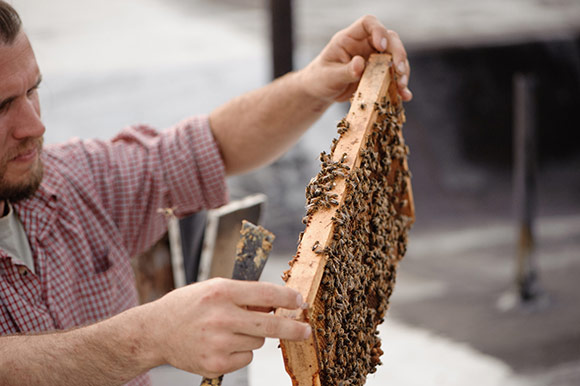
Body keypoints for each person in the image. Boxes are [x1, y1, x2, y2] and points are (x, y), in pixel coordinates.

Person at [0, 1, 412, 385]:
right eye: (1, 107)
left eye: (33, 91)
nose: (33, 126)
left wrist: (312, 84)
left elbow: (204, 149)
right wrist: (147, 337)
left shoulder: (73, 180)